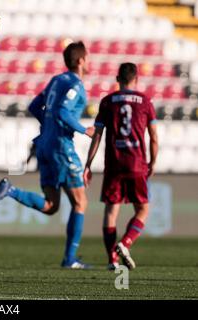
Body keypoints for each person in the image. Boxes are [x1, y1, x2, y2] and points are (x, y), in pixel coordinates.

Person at [0, 41, 95, 269]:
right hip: (60, 146)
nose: (89, 61)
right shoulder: (76, 84)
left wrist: (47, 125)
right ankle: (70, 259)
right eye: (88, 57)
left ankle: (11, 190)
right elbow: (62, 110)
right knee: (80, 202)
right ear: (80, 61)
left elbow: (36, 106)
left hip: (44, 144)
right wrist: (84, 129)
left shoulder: (57, 80)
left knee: (50, 205)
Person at [83, 62, 158, 270]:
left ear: (118, 79)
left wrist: (88, 165)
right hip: (136, 162)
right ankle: (125, 243)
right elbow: (153, 137)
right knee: (143, 208)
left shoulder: (107, 102)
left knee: (111, 210)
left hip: (114, 163)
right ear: (136, 79)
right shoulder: (145, 102)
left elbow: (97, 135)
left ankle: (112, 260)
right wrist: (153, 162)